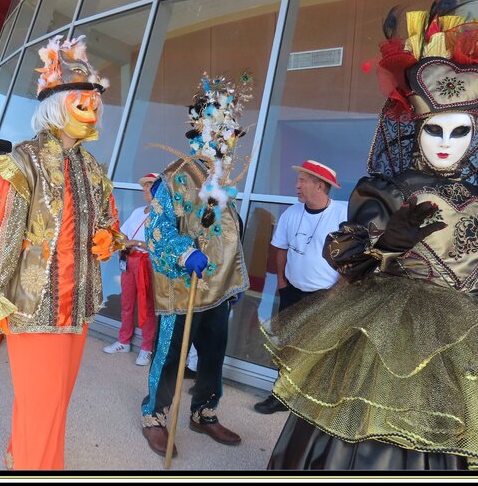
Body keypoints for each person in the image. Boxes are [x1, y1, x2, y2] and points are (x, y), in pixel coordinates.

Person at [263, 0, 478, 470]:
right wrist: (385, 244)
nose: (445, 143)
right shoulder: (387, 191)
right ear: (416, 128)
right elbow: (345, 255)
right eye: (434, 129)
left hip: (473, 332)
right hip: (389, 325)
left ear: (477, 134)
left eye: (459, 132)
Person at [0, 35, 122, 470]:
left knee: (53, 399)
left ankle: (21, 454)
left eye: (95, 107)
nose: (91, 114)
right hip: (35, 305)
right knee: (44, 401)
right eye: (82, 105)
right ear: (56, 107)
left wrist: (110, 238)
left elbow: (107, 219)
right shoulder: (24, 161)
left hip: (80, 303)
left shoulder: (92, 166)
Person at [140, 72, 251, 458]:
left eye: (230, 134)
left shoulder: (224, 183)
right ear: (200, 131)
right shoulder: (174, 179)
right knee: (171, 357)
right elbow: (156, 232)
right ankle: (154, 416)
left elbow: (231, 232)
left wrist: (235, 280)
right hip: (183, 288)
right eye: (219, 131)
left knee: (213, 355)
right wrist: (186, 252)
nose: (226, 140)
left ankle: (203, 412)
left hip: (218, 290)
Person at [253, 160, 347, 414]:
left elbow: (352, 258)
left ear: (320, 185)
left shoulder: (342, 216)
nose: (297, 185)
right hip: (292, 290)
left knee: (317, 348)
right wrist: (282, 282)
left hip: (325, 295)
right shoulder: (291, 214)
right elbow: (280, 249)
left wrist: (337, 291)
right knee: (287, 344)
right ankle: (280, 396)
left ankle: (311, 402)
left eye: (302, 181)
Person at [103, 172, 160, 366]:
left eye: (150, 184)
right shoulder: (138, 211)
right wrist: (126, 243)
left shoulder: (162, 216)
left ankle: (146, 347)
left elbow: (158, 245)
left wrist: (135, 242)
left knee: (147, 305)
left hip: (147, 263)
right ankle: (124, 340)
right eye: (144, 185)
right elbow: (123, 235)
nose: (145, 188)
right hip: (130, 260)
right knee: (127, 303)